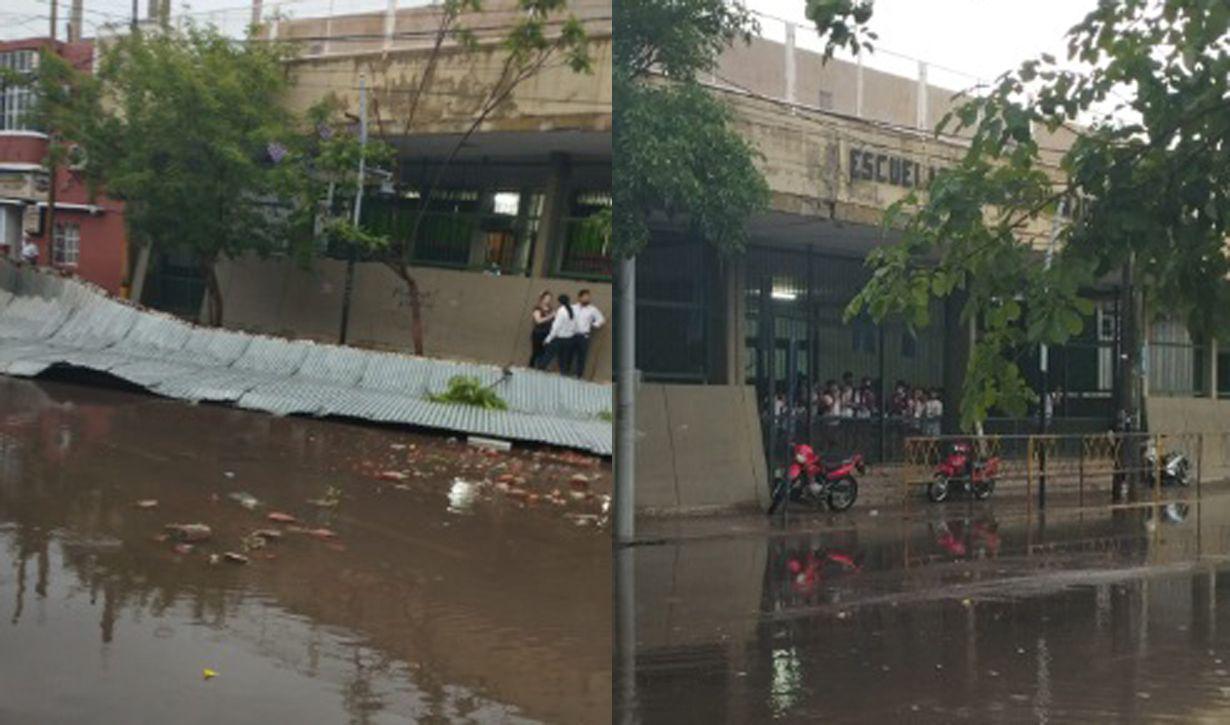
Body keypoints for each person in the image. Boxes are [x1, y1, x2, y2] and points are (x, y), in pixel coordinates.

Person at [537, 293, 579, 374]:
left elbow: (556, 327)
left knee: (548, 355)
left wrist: (548, 339)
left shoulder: (561, 311)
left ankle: (540, 369)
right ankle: (564, 373)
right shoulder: (573, 310)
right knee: (563, 359)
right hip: (569, 339)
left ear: (559, 302)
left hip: (559, 339)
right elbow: (575, 326)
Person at [572, 288, 605, 378]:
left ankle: (578, 375)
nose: (587, 299)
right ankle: (566, 372)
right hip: (571, 334)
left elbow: (601, 319)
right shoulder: (573, 308)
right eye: (585, 297)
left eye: (588, 297)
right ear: (579, 297)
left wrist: (593, 325)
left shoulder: (592, 309)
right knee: (569, 354)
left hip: (584, 336)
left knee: (581, 356)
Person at [528, 290, 554, 367]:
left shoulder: (550, 308)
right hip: (538, 333)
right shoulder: (537, 308)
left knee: (544, 351)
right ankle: (531, 366)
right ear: (542, 298)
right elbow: (538, 320)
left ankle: (540, 366)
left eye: (550, 298)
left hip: (547, 333)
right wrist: (550, 317)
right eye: (547, 298)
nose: (548, 300)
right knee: (536, 351)